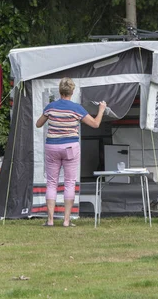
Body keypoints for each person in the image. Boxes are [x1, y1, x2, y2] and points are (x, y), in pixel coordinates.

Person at [36, 77, 106, 227]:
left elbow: (38, 124)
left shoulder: (51, 106)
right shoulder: (76, 108)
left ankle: (50, 220)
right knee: (69, 182)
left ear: (60, 90)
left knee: (52, 183)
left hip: (52, 147)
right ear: (72, 91)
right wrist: (101, 110)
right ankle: (67, 221)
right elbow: (95, 124)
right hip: (70, 148)